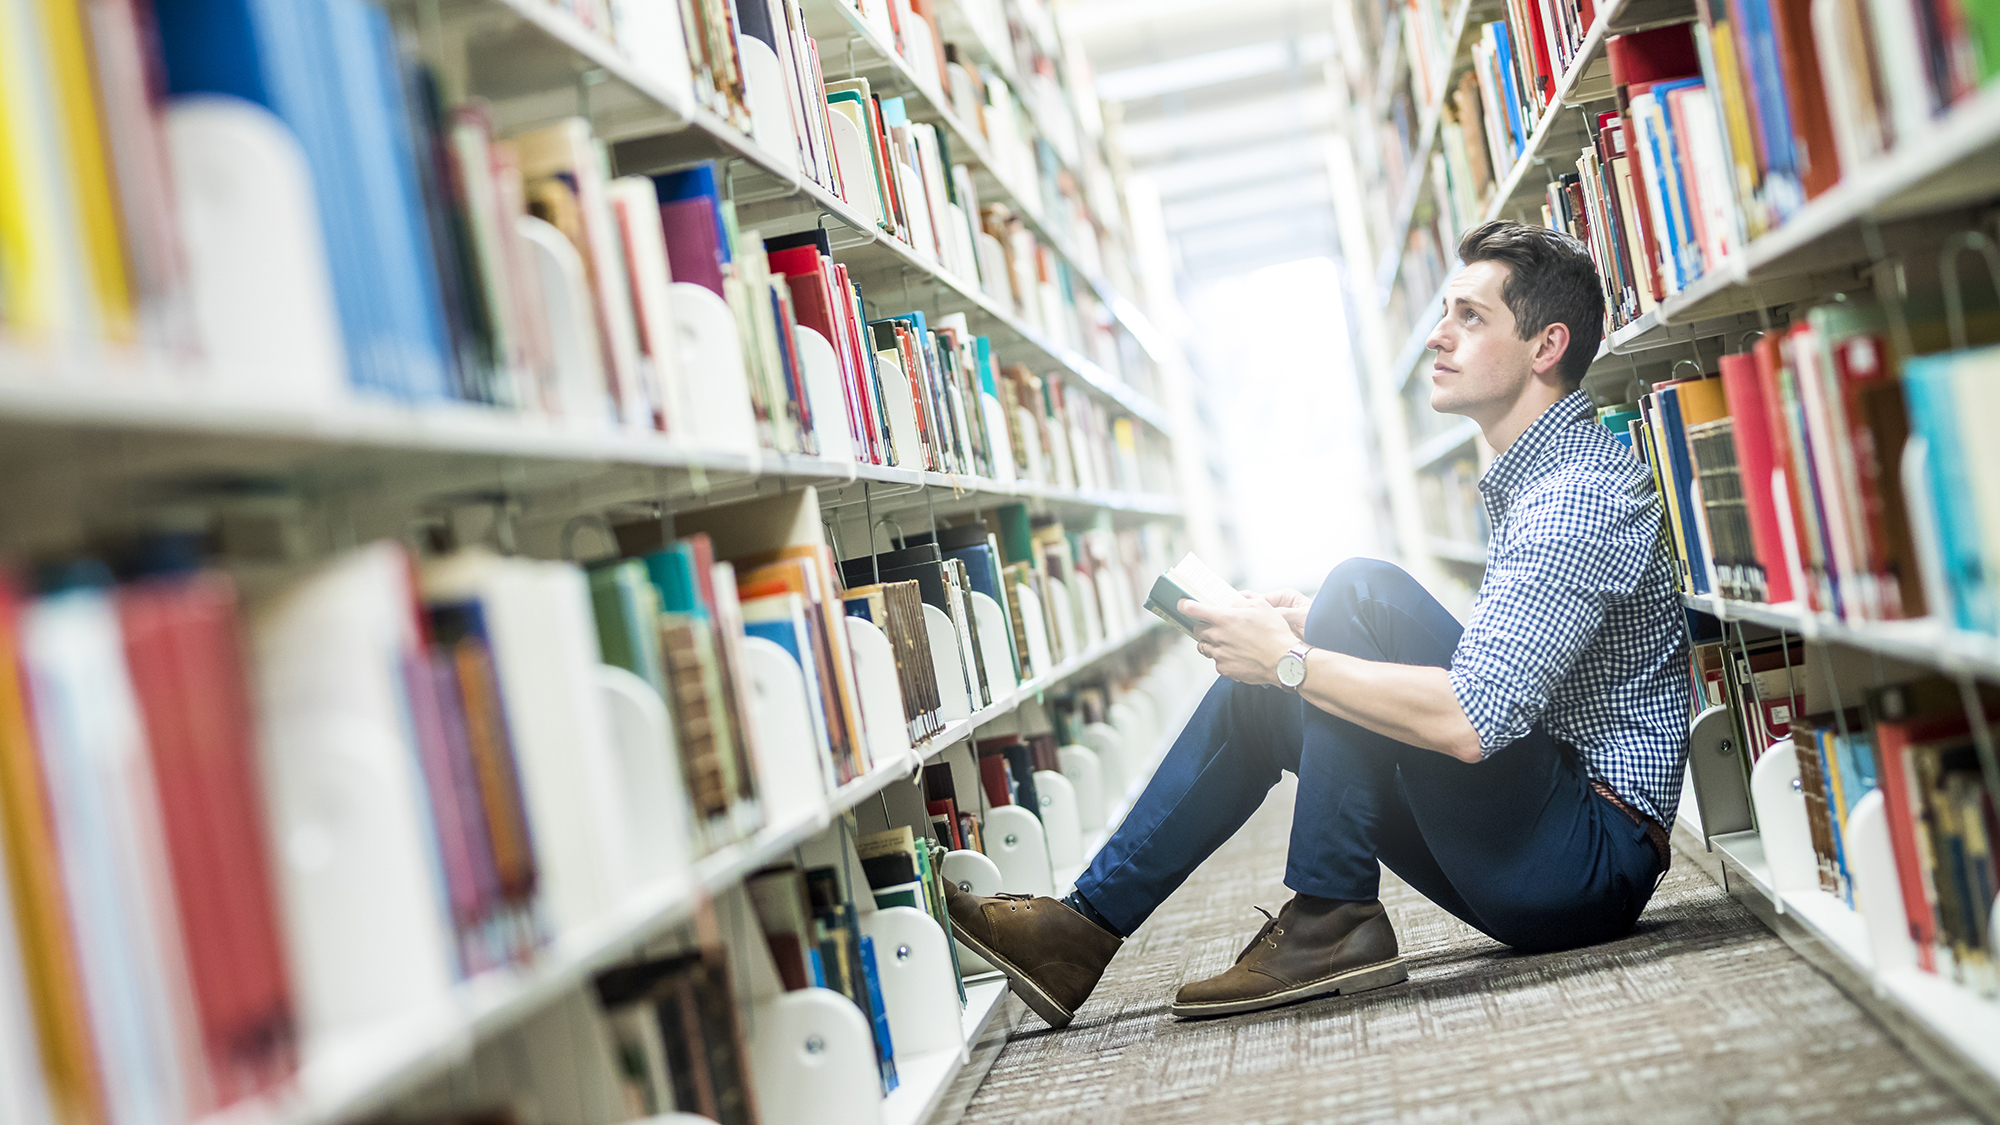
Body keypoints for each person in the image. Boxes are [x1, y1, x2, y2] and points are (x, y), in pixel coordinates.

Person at [945, 220, 1691, 1029]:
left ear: (1547, 346)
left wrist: (1297, 657)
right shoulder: (1538, 477)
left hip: (1584, 864)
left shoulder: (1576, 496)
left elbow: (1473, 722)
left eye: (1471, 317)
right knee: (1285, 676)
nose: (1439, 334)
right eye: (1445, 310)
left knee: (1359, 593)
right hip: (1546, 832)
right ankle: (1079, 932)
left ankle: (1332, 913)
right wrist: (1309, 638)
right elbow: (1509, 669)